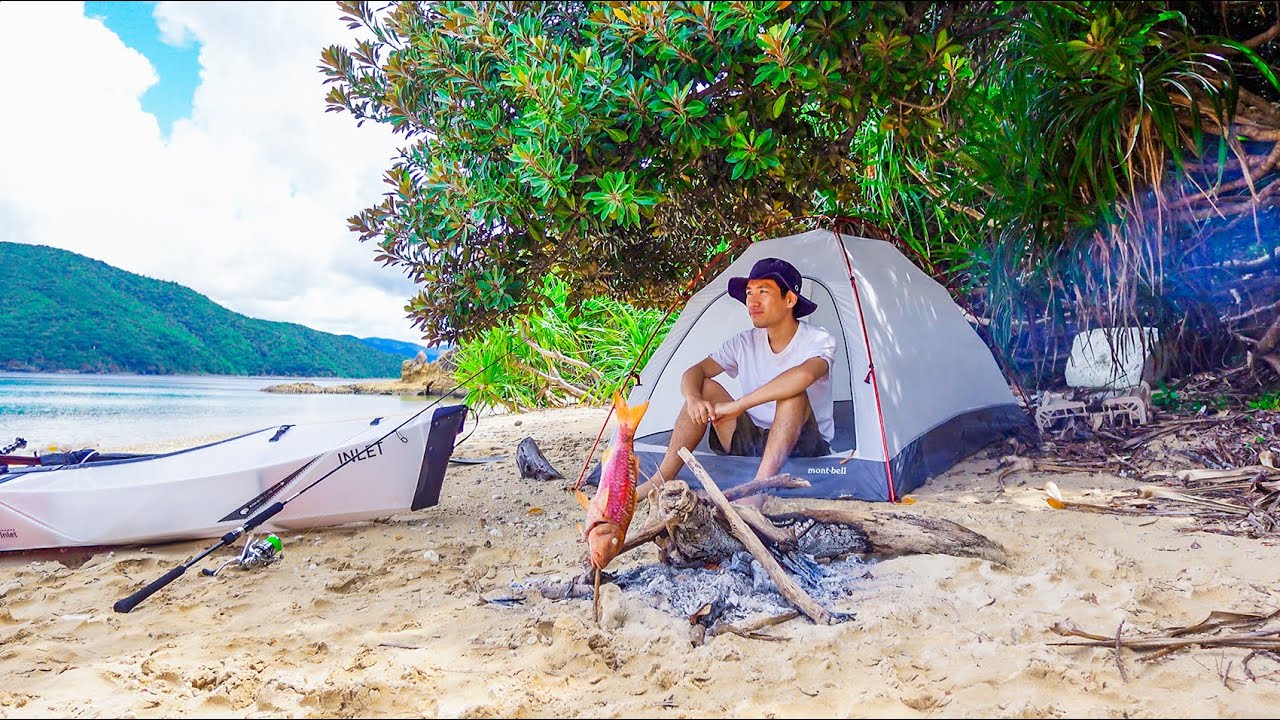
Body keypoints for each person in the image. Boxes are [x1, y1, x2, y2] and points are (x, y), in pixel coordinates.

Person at [634, 257, 835, 510]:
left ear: (790, 300)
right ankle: (659, 479)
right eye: (750, 292)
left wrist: (738, 405)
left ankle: (758, 489)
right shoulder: (744, 342)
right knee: (703, 387)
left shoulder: (818, 339)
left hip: (804, 444)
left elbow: (803, 376)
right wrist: (693, 398)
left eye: (764, 291)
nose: (752, 301)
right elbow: (694, 371)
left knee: (793, 395)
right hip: (750, 440)